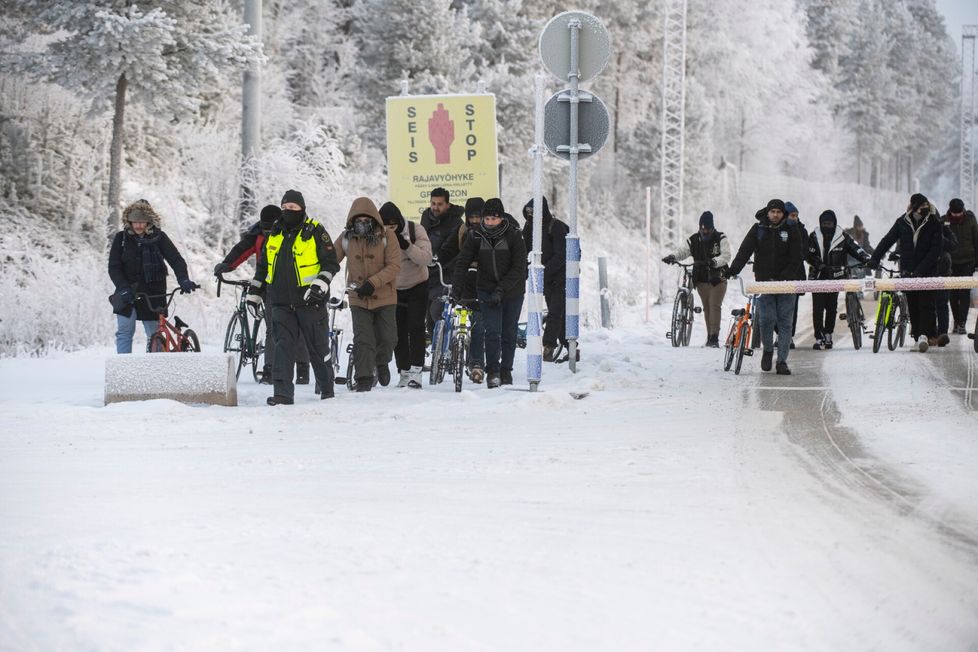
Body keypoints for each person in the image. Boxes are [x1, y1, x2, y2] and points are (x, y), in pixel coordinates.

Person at [250, 190, 340, 404]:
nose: (287, 211)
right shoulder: (274, 233)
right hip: (280, 302)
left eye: (292, 207)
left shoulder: (315, 231)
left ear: (302, 208)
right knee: (282, 348)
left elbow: (331, 263)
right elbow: (263, 266)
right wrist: (255, 292)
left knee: (317, 348)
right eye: (284, 207)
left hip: (310, 301)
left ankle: (326, 387)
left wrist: (320, 284)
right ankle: (282, 394)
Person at [214, 204, 310, 385]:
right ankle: (270, 370)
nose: (267, 233)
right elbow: (241, 249)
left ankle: (302, 367)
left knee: (296, 326)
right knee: (273, 327)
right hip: (267, 285)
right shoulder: (257, 234)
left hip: (294, 286)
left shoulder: (291, 232)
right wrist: (226, 265)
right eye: (264, 228)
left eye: (269, 229)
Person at [452, 198, 527, 388]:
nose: (490, 222)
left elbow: (519, 267)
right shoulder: (476, 235)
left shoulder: (514, 235)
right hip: (486, 288)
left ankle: (506, 370)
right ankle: (493, 370)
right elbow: (463, 262)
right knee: (492, 331)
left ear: (501, 218)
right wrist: (456, 288)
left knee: (508, 332)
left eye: (494, 219)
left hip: (512, 290)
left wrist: (502, 289)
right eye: (487, 219)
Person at [726, 198, 804, 375]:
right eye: (772, 212)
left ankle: (782, 361)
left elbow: (797, 256)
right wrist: (733, 269)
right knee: (767, 319)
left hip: (786, 284)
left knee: (785, 323)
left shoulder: (792, 229)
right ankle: (768, 350)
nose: (775, 215)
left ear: (783, 214)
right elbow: (744, 251)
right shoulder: (758, 229)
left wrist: (786, 276)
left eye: (779, 212)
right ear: (767, 213)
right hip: (764, 282)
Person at [108, 199, 196, 354]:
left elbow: (176, 260)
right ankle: (124, 367)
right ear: (129, 221)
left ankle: (156, 366)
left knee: (154, 335)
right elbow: (114, 267)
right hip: (127, 292)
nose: (138, 226)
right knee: (125, 331)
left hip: (153, 293)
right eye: (135, 222)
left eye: (142, 222)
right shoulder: (121, 238)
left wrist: (183, 279)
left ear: (149, 221)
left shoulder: (159, 237)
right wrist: (122, 288)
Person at [335, 197, 401, 392]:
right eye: (358, 220)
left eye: (366, 220)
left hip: (385, 296)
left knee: (388, 338)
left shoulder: (387, 236)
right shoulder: (346, 238)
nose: (362, 224)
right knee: (363, 338)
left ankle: (381, 361)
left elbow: (394, 266)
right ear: (352, 221)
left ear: (374, 219)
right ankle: (363, 377)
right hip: (358, 297)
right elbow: (330, 259)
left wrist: (373, 283)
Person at [868, 193, 943, 352]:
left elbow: (935, 250)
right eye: (922, 205)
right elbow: (887, 240)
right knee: (913, 304)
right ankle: (918, 337)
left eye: (926, 205)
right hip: (908, 271)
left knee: (926, 304)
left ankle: (924, 336)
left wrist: (920, 270)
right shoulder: (902, 222)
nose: (925, 207)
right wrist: (875, 258)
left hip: (928, 271)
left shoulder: (934, 223)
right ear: (914, 207)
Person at [379, 201, 431, 389]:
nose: (389, 230)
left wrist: (406, 245)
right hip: (394, 288)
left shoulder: (415, 230)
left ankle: (416, 371)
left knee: (416, 327)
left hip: (418, 284)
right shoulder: (377, 234)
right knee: (397, 331)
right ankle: (404, 371)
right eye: (385, 226)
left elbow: (426, 258)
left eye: (393, 226)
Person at [662, 210, 731, 347]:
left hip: (718, 278)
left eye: (707, 229)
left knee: (714, 305)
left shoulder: (720, 238)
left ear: (712, 227)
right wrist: (673, 256)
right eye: (702, 228)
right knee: (707, 308)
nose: (704, 231)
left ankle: (714, 338)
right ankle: (710, 336)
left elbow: (726, 255)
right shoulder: (693, 239)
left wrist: (714, 262)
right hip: (701, 279)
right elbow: (683, 251)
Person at [806, 210, 871, 350]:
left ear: (834, 223)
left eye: (829, 223)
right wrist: (820, 265)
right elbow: (809, 255)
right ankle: (819, 337)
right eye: (824, 223)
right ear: (820, 223)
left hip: (835, 277)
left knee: (831, 308)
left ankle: (828, 334)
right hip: (818, 277)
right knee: (817, 309)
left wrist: (866, 258)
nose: (827, 226)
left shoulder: (842, 236)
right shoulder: (814, 236)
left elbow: (855, 248)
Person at [522, 196, 572, 357]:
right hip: (545, 278)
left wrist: (542, 271)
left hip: (560, 277)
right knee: (556, 312)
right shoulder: (529, 228)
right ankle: (571, 346)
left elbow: (561, 255)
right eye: (528, 212)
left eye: (533, 212)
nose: (531, 215)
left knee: (556, 312)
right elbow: (524, 250)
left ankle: (549, 346)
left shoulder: (556, 227)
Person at [420, 187, 464, 336]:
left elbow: (450, 249)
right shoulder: (426, 217)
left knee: (437, 313)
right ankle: (436, 346)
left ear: (447, 204)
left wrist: (436, 258)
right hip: (425, 274)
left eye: (439, 204)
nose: (435, 207)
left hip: (443, 274)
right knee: (426, 319)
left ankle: (445, 343)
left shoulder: (456, 222)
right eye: (433, 203)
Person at [458, 197, 486, 382]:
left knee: (478, 324)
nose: (475, 221)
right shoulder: (461, 231)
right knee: (457, 321)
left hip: (482, 284)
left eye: (478, 217)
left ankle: (476, 363)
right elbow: (452, 254)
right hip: (464, 283)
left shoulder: (489, 233)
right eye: (471, 217)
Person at [943, 198, 978, 334]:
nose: (957, 216)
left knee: (964, 293)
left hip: (968, 262)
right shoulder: (944, 221)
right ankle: (956, 321)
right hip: (950, 263)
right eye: (954, 213)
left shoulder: (971, 220)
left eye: (959, 213)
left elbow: (977, 241)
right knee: (953, 294)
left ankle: (962, 322)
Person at [782, 201, 807, 349]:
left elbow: (804, 252)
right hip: (778, 275)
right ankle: (780, 334)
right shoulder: (778, 229)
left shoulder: (801, 230)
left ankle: (789, 336)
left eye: (796, 216)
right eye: (792, 215)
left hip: (795, 274)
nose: (795, 218)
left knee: (792, 308)